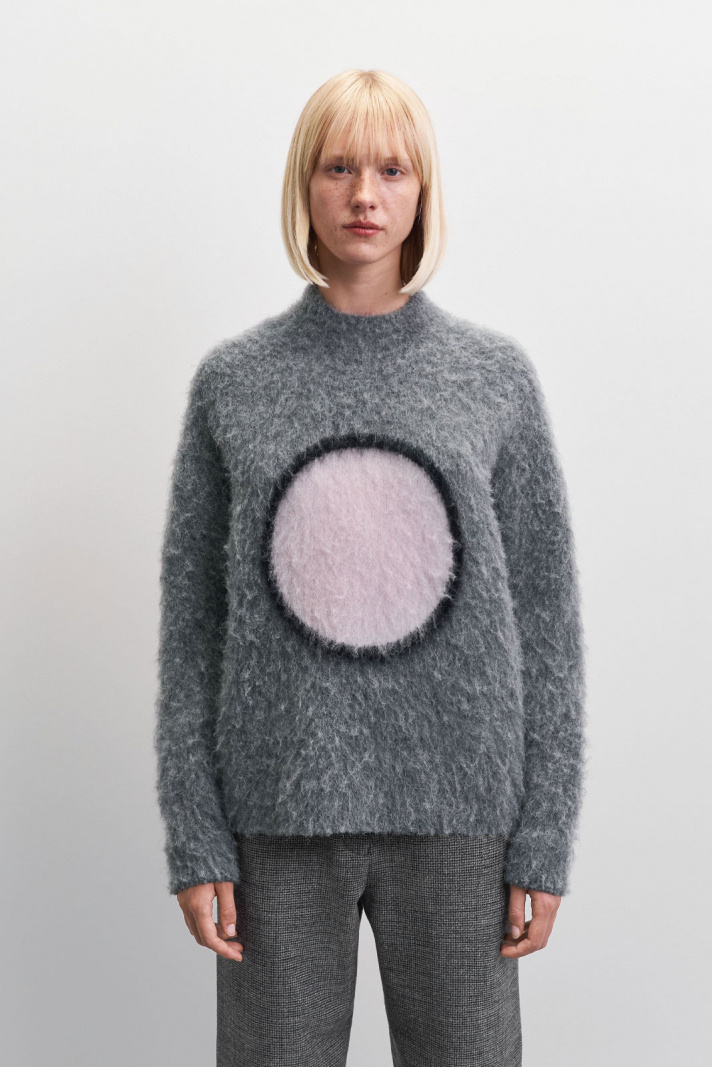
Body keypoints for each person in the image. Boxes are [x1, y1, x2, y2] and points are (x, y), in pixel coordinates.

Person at [153, 68, 588, 1067]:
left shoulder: (492, 379)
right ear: (302, 186)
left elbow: (547, 620)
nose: (364, 195)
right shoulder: (235, 383)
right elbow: (192, 627)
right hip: (276, 814)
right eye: (337, 167)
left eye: (393, 170)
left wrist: (544, 834)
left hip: (460, 816)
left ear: (423, 190)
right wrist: (195, 833)